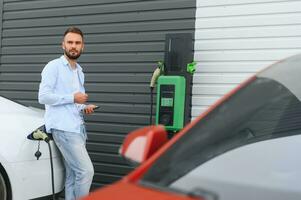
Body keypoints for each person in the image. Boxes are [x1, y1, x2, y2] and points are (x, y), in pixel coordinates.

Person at [38, 27, 95, 200]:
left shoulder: (79, 70)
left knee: (72, 176)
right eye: (70, 42)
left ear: (82, 47)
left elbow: (75, 102)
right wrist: (72, 98)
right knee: (86, 172)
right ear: (62, 45)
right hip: (63, 129)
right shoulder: (53, 67)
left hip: (77, 128)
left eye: (77, 43)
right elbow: (43, 97)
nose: (73, 46)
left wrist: (83, 107)